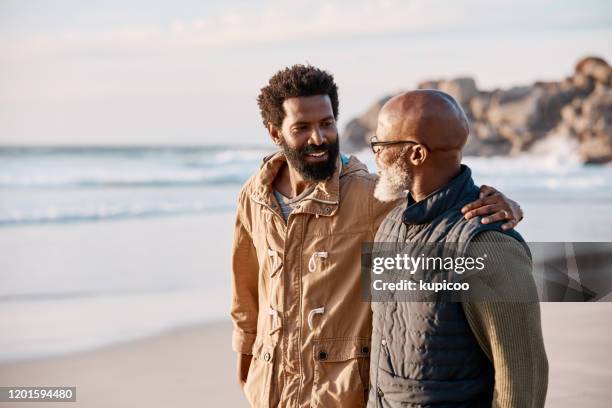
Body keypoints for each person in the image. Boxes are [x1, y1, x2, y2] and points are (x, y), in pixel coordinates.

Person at [231, 65, 524, 408]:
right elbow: (245, 291)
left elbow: (438, 201)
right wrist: (246, 364)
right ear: (275, 133)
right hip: (270, 389)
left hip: (339, 394)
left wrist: (504, 205)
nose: (318, 138)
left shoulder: (371, 194)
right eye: (302, 128)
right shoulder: (255, 195)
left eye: (327, 123)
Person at [368, 90, 548, 407]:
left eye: (381, 145)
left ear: (416, 154)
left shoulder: (486, 246)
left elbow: (521, 378)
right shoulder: (391, 224)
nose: (376, 155)